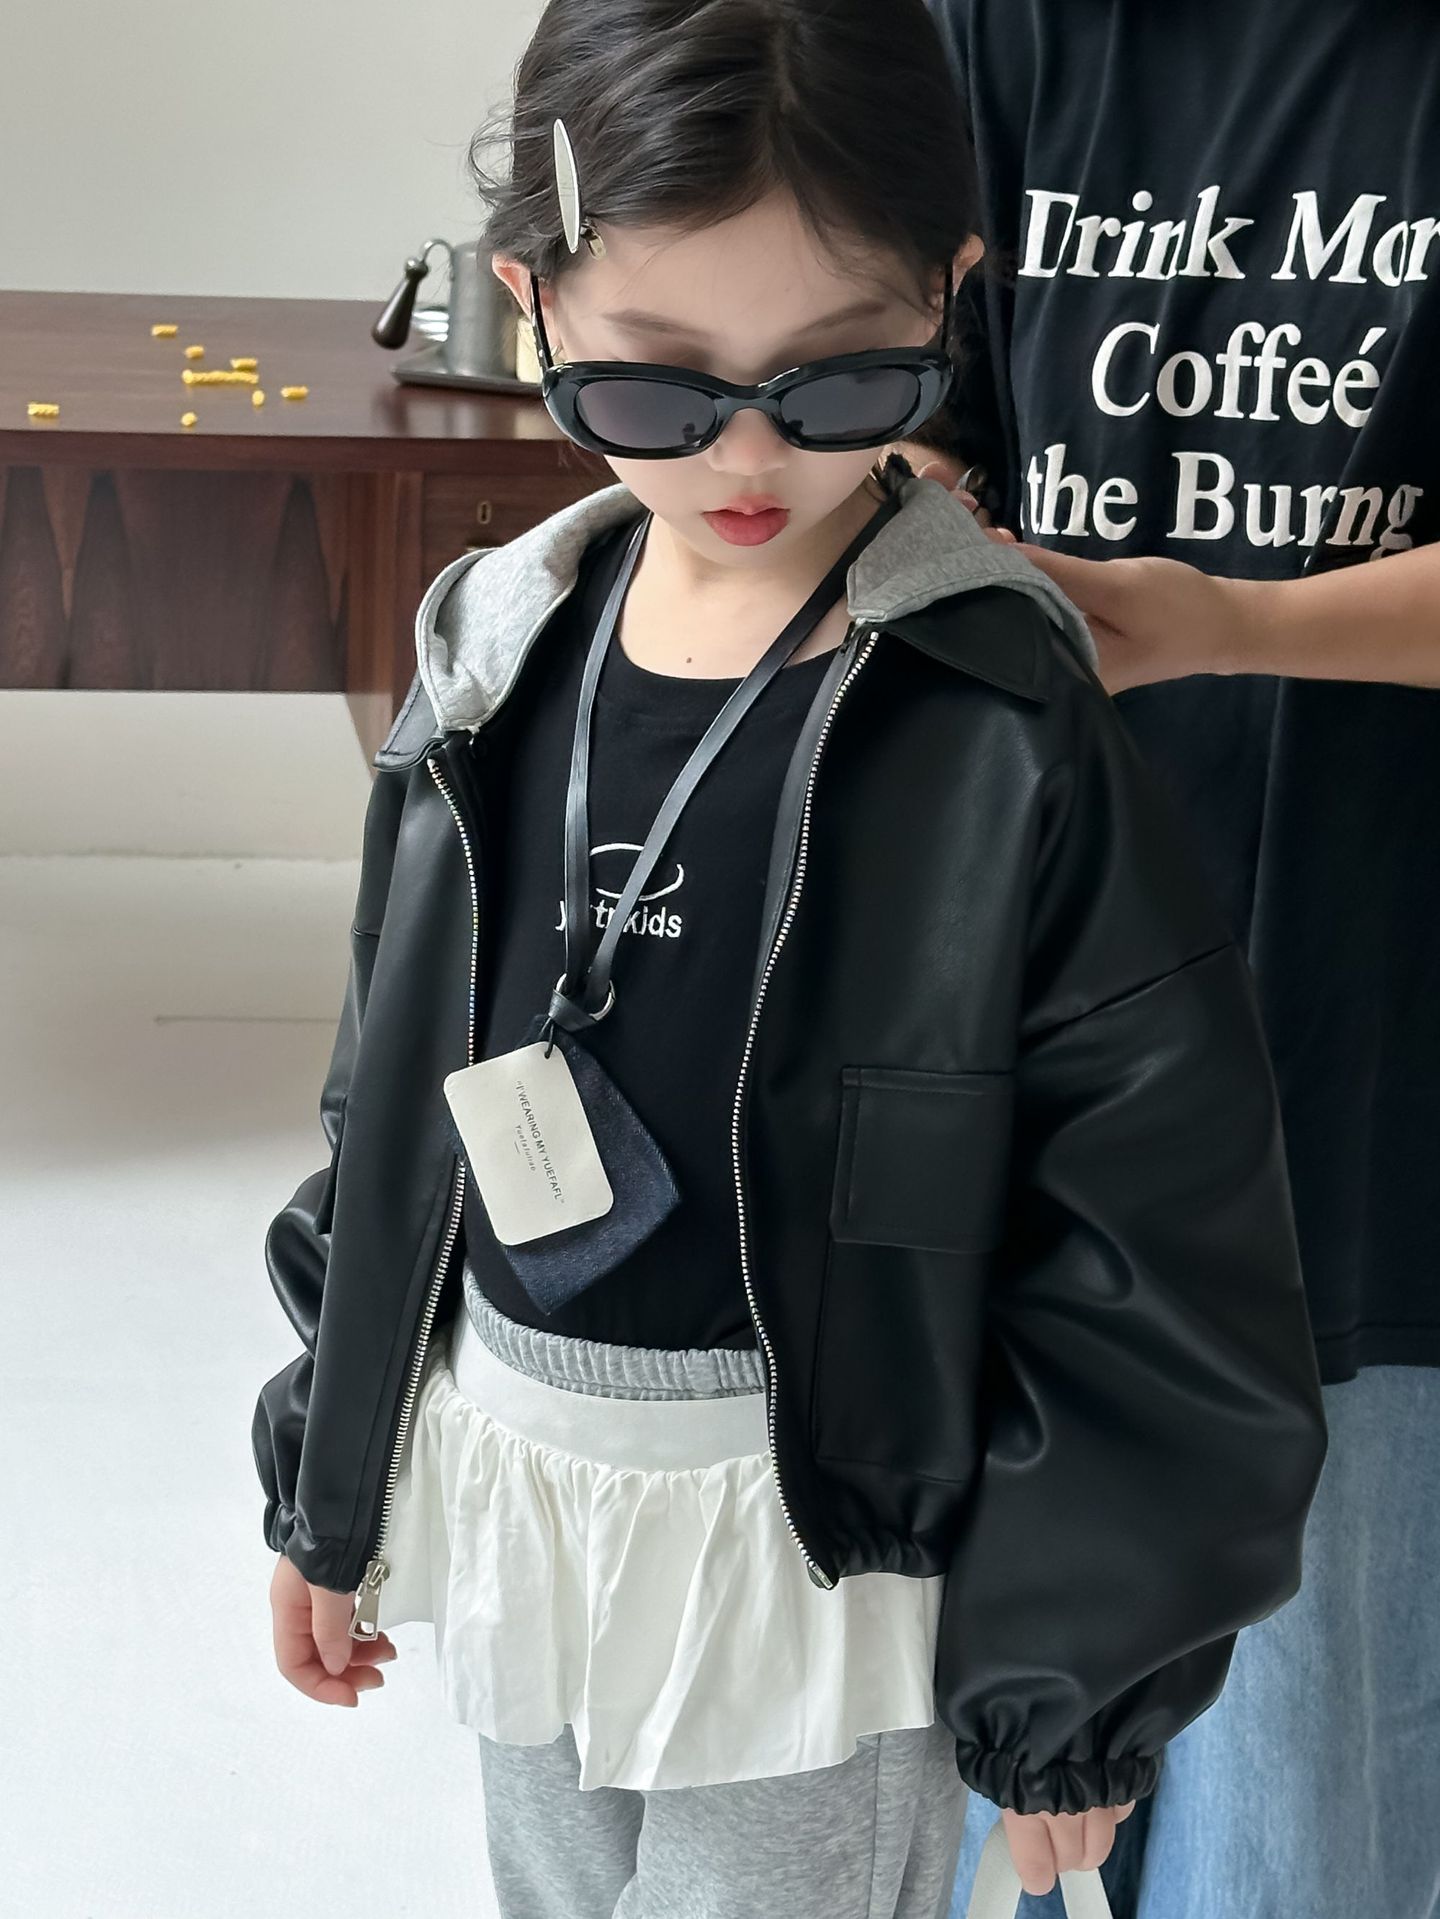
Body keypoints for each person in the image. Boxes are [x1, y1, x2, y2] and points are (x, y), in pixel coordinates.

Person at [252, 3, 1327, 1913]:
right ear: (535, 306)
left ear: (950, 296)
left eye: (842, 385)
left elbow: (1151, 1230)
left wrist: (1069, 1696)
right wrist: (326, 1483)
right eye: (660, 391)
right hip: (523, 1481)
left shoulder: (998, 719)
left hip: (817, 1549)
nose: (749, 455)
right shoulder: (494, 655)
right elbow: (391, 1105)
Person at [907, 5, 1440, 1916]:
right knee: (966, 1789)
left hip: (1377, 1038)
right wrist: (922, 502)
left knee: (1301, 1801)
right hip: (1029, 1004)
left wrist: (1233, 619)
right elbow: (909, 397)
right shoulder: (988, 33)